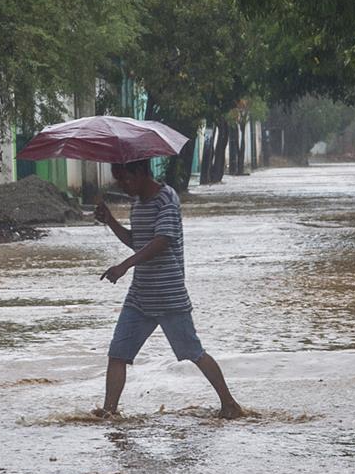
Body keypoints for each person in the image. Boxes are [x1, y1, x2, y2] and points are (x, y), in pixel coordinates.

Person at [92, 158, 243, 419]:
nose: (123, 186)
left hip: (169, 295)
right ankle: (109, 413)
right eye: (119, 180)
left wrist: (124, 266)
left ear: (140, 172)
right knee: (118, 353)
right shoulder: (137, 203)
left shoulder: (167, 200)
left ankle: (229, 403)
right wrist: (111, 221)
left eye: (126, 179)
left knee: (193, 352)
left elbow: (161, 242)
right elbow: (137, 241)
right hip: (140, 295)